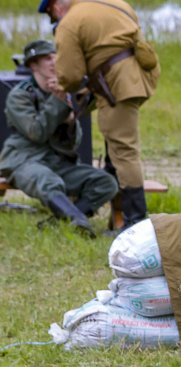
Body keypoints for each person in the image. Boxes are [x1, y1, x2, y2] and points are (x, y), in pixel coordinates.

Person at [39, 0, 160, 230]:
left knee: (124, 152)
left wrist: (62, 86)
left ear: (57, 9)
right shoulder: (111, 1)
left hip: (118, 85)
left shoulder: (69, 23)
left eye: (53, 16)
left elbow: (70, 76)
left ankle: (134, 226)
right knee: (116, 144)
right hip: (140, 75)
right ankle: (116, 211)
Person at [0, 39, 117, 237]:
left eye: (57, 57)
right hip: (24, 160)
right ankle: (77, 221)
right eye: (47, 58)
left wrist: (70, 121)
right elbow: (36, 133)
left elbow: (74, 144)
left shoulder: (65, 94)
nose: (54, 62)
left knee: (106, 182)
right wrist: (58, 101)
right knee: (48, 180)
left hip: (56, 160)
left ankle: (59, 222)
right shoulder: (19, 95)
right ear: (33, 65)